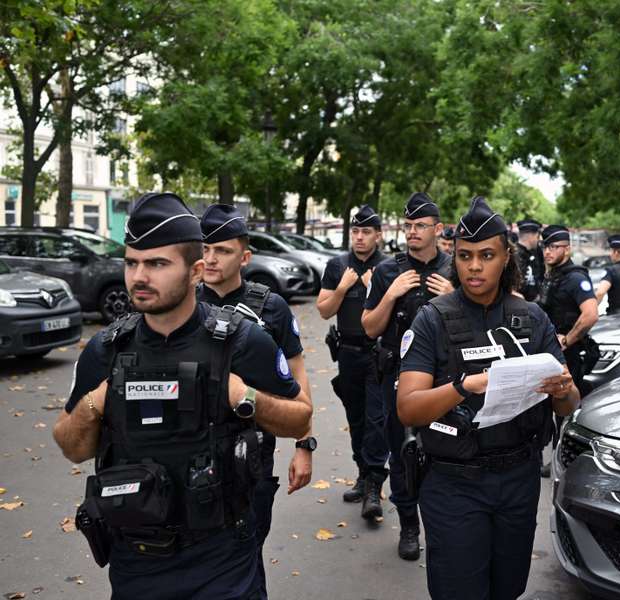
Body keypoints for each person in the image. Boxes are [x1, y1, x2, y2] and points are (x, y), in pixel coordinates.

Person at [52, 192, 312, 600]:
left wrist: (245, 397)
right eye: (132, 262)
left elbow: (300, 418)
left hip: (223, 559)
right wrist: (96, 402)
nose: (139, 276)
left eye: (157, 263)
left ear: (194, 272)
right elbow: (71, 447)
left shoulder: (243, 343)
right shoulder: (107, 349)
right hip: (136, 561)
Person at [396, 196, 579, 600]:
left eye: (486, 255)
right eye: (464, 256)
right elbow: (408, 407)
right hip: (453, 481)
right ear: (453, 256)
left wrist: (563, 390)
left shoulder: (531, 318)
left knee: (508, 587)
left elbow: (570, 406)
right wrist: (465, 386)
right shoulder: (433, 318)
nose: (474, 266)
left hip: (518, 478)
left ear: (505, 256)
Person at [198, 204, 315, 599]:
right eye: (204, 249)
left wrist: (304, 445)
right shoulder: (181, 304)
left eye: (223, 250)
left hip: (252, 454)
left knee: (246, 556)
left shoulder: (271, 307)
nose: (210, 258)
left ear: (244, 257)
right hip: (192, 453)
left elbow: (298, 380)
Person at [361, 192, 453, 560]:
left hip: (443, 379)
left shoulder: (454, 269)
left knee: (444, 452)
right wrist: (390, 295)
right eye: (408, 225)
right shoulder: (387, 271)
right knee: (401, 454)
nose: (412, 232)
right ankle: (410, 526)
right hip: (396, 379)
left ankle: (444, 523)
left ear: (438, 229)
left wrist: (452, 297)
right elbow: (369, 327)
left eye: (421, 226)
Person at [316, 205, 390, 521]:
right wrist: (343, 287)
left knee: (377, 419)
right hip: (347, 353)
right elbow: (323, 310)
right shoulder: (337, 266)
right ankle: (363, 474)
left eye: (366, 232)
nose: (359, 238)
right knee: (356, 418)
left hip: (377, 353)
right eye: (355, 232)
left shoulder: (388, 267)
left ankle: (374, 483)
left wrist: (376, 286)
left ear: (378, 235)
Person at [537, 224, 598, 477]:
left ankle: (567, 464)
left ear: (567, 248)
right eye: (545, 247)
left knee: (567, 411)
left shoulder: (575, 277)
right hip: (551, 353)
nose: (548, 252)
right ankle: (559, 459)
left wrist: (568, 339)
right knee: (555, 411)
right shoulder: (554, 275)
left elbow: (591, 314)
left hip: (568, 354)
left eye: (554, 247)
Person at [515, 218, 544, 301]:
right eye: (538, 236)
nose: (539, 239)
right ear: (531, 236)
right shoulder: (514, 255)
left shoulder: (533, 252)